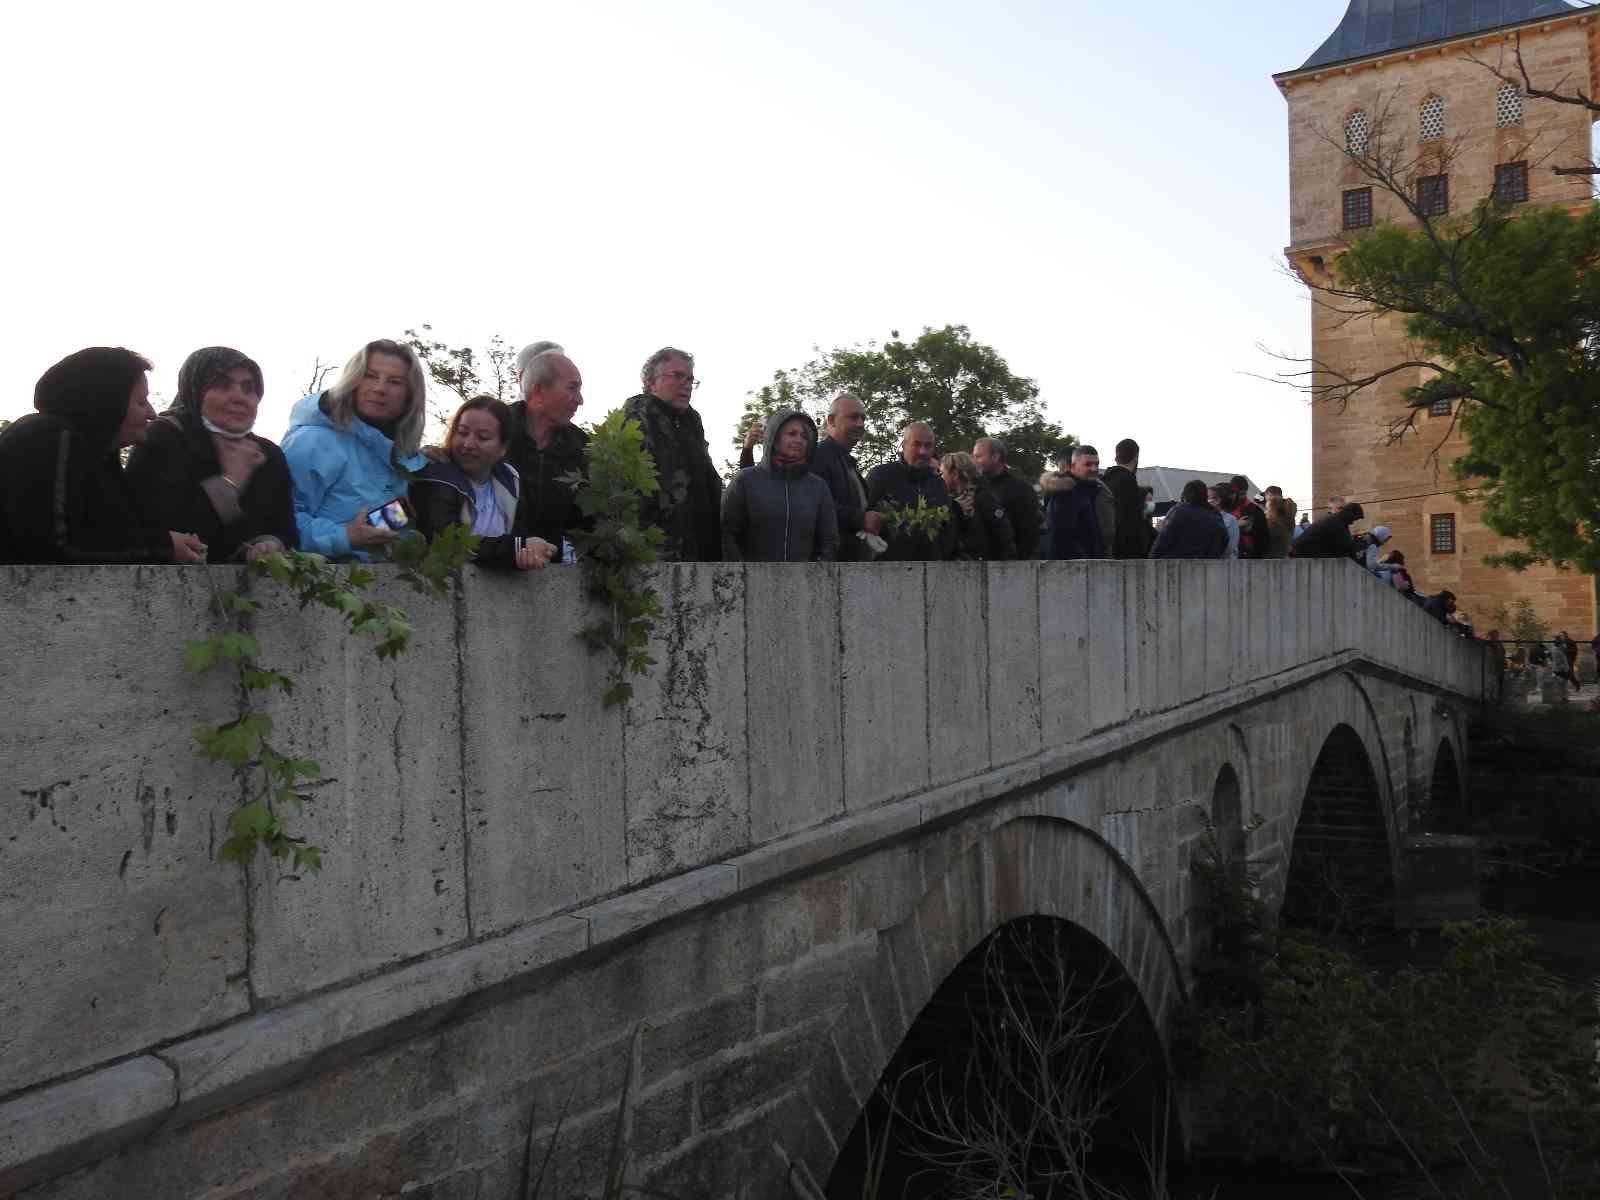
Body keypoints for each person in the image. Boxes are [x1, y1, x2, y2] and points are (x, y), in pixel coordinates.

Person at [0, 347, 207, 565]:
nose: (152, 413)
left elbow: (118, 531)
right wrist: (163, 547)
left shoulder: (98, 454)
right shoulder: (50, 438)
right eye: (141, 402)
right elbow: (57, 546)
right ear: (109, 402)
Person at [125, 347, 297, 564]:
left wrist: (270, 544)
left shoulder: (267, 453)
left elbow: (287, 530)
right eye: (223, 385)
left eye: (249, 388)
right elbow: (154, 532)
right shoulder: (163, 438)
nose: (239, 397)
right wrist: (229, 482)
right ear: (195, 391)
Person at [280, 338, 429, 562]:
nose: (380, 389)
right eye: (370, 376)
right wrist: (344, 537)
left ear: (410, 394)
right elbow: (280, 521)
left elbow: (390, 521)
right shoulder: (312, 441)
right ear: (352, 380)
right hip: (320, 586)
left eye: (395, 382)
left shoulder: (401, 455)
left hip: (383, 588)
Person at [410, 396, 555, 571]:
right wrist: (516, 547)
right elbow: (449, 542)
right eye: (462, 432)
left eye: (483, 437)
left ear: (503, 447)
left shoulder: (510, 478)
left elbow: (520, 532)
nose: (468, 444)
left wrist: (537, 549)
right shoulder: (435, 475)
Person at [623, 347, 722, 561]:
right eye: (677, 376)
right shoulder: (637, 418)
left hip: (702, 551)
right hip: (661, 555)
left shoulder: (691, 421)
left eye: (690, 379)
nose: (686, 384)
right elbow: (633, 497)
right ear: (651, 382)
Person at [720, 409, 838, 562]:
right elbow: (726, 532)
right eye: (791, 433)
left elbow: (830, 540)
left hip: (804, 582)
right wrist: (740, 573)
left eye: (804, 436)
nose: (799, 440)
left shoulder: (818, 487)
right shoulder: (745, 479)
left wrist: (817, 574)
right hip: (751, 581)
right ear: (774, 438)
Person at [503, 349, 587, 552]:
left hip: (554, 574)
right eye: (572, 388)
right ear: (539, 392)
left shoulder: (583, 447)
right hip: (490, 571)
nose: (580, 399)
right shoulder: (495, 429)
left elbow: (587, 522)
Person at [866, 422, 956, 561]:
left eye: (928, 446)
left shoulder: (937, 483)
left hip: (931, 568)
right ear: (904, 445)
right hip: (887, 567)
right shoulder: (881, 476)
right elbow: (864, 519)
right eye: (917, 444)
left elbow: (948, 528)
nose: (923, 451)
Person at [811, 393, 884, 562]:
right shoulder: (818, 456)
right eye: (853, 417)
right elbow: (815, 505)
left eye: (863, 418)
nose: (860, 423)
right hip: (828, 565)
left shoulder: (848, 463)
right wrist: (860, 519)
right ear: (831, 421)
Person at [973, 436, 1042, 559]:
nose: (974, 461)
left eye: (978, 456)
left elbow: (1030, 531)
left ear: (995, 457)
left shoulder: (1021, 489)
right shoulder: (975, 487)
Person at [940, 452, 1016, 561]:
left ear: (955, 474)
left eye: (942, 473)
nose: (941, 478)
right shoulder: (952, 501)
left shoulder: (982, 497)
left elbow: (1003, 533)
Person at [1044, 445, 1115, 560]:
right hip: (1077, 569)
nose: (1094, 469)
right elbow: (1063, 539)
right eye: (1088, 464)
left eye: (1096, 464)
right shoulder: (1066, 493)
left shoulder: (1089, 490)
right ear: (1073, 466)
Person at [1150, 479, 1229, 559]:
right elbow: (1223, 540)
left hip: (1177, 565)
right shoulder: (1215, 515)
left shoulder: (1179, 512)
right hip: (1206, 566)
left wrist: (1152, 560)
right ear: (1205, 496)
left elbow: (1163, 540)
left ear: (1185, 496)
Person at [1101, 438, 1152, 559]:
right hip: (1127, 553)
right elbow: (1134, 521)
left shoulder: (1104, 481)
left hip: (1107, 550)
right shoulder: (1129, 482)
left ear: (1116, 458)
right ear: (1136, 457)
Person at [1292, 502, 1366, 559]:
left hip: (1306, 554)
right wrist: (1362, 544)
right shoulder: (1336, 522)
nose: (1352, 522)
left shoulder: (1338, 520)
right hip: (1303, 555)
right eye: (1354, 519)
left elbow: (1347, 542)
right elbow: (1345, 548)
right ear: (1350, 515)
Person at [1229, 476, 1269, 560]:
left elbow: (1263, 538)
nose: (1240, 497)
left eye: (1243, 494)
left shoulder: (1255, 510)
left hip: (1250, 556)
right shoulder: (1225, 509)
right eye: (1238, 494)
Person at [1208, 483, 1241, 558]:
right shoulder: (1207, 517)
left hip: (1226, 564)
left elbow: (1230, 547)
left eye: (1208, 497)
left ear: (1218, 500)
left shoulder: (1230, 520)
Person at [1264, 488, 1297, 559]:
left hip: (1270, 558)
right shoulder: (1289, 514)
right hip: (1283, 555)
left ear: (1269, 494)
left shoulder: (1273, 520)